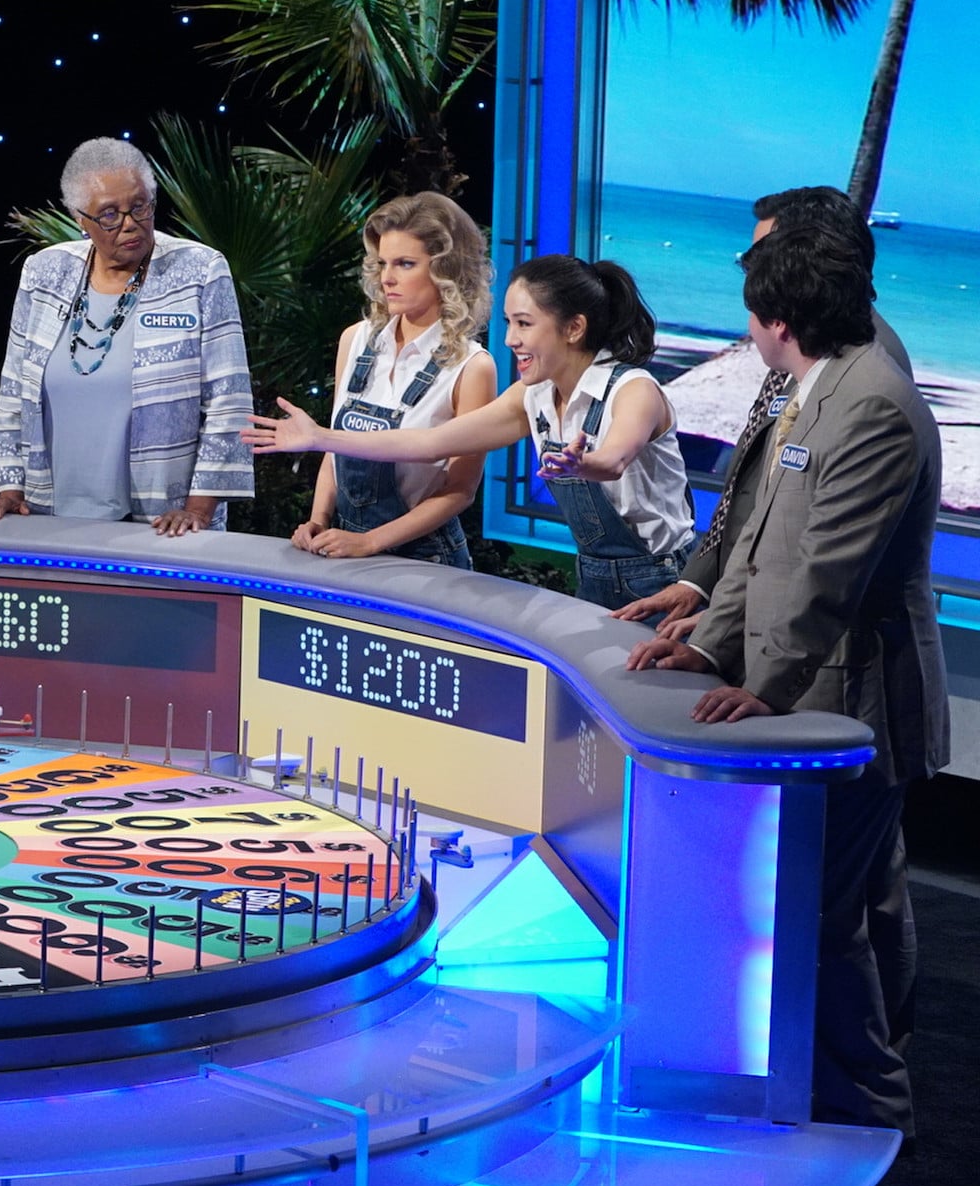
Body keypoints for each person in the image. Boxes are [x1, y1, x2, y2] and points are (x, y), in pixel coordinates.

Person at [626, 223, 947, 1136]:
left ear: (777, 320)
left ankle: (873, 1113)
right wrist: (708, 645)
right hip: (810, 688)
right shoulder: (815, 389)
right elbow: (759, 547)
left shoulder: (872, 404)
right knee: (818, 910)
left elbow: (826, 572)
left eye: (751, 316)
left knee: (824, 915)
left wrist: (763, 683)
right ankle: (826, 1097)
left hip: (858, 699)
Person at [245, 255, 693, 609]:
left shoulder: (635, 389)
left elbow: (614, 459)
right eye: (508, 323)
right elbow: (429, 442)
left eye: (525, 324)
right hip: (592, 577)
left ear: (574, 328)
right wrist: (321, 438)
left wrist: (585, 463)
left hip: (665, 583)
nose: (510, 339)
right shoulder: (532, 395)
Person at [616, 185, 913, 639]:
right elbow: (753, 485)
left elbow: (817, 548)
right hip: (750, 613)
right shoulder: (806, 343)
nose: (753, 269)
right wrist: (699, 583)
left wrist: (726, 628)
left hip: (808, 643)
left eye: (763, 254)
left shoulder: (865, 370)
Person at [0, 137, 252, 536]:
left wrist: (198, 511)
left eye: (140, 206)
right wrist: (11, 490)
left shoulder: (200, 271)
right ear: (79, 219)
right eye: (108, 214)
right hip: (47, 517)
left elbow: (229, 400)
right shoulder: (44, 272)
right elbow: (14, 391)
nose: (130, 223)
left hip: (163, 523)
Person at [292, 192, 496, 566]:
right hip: (345, 545)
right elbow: (337, 446)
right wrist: (318, 519)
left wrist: (370, 542)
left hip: (425, 558)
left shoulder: (472, 367)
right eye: (383, 263)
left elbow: (460, 490)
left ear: (446, 271)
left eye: (405, 264)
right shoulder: (355, 340)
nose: (387, 278)